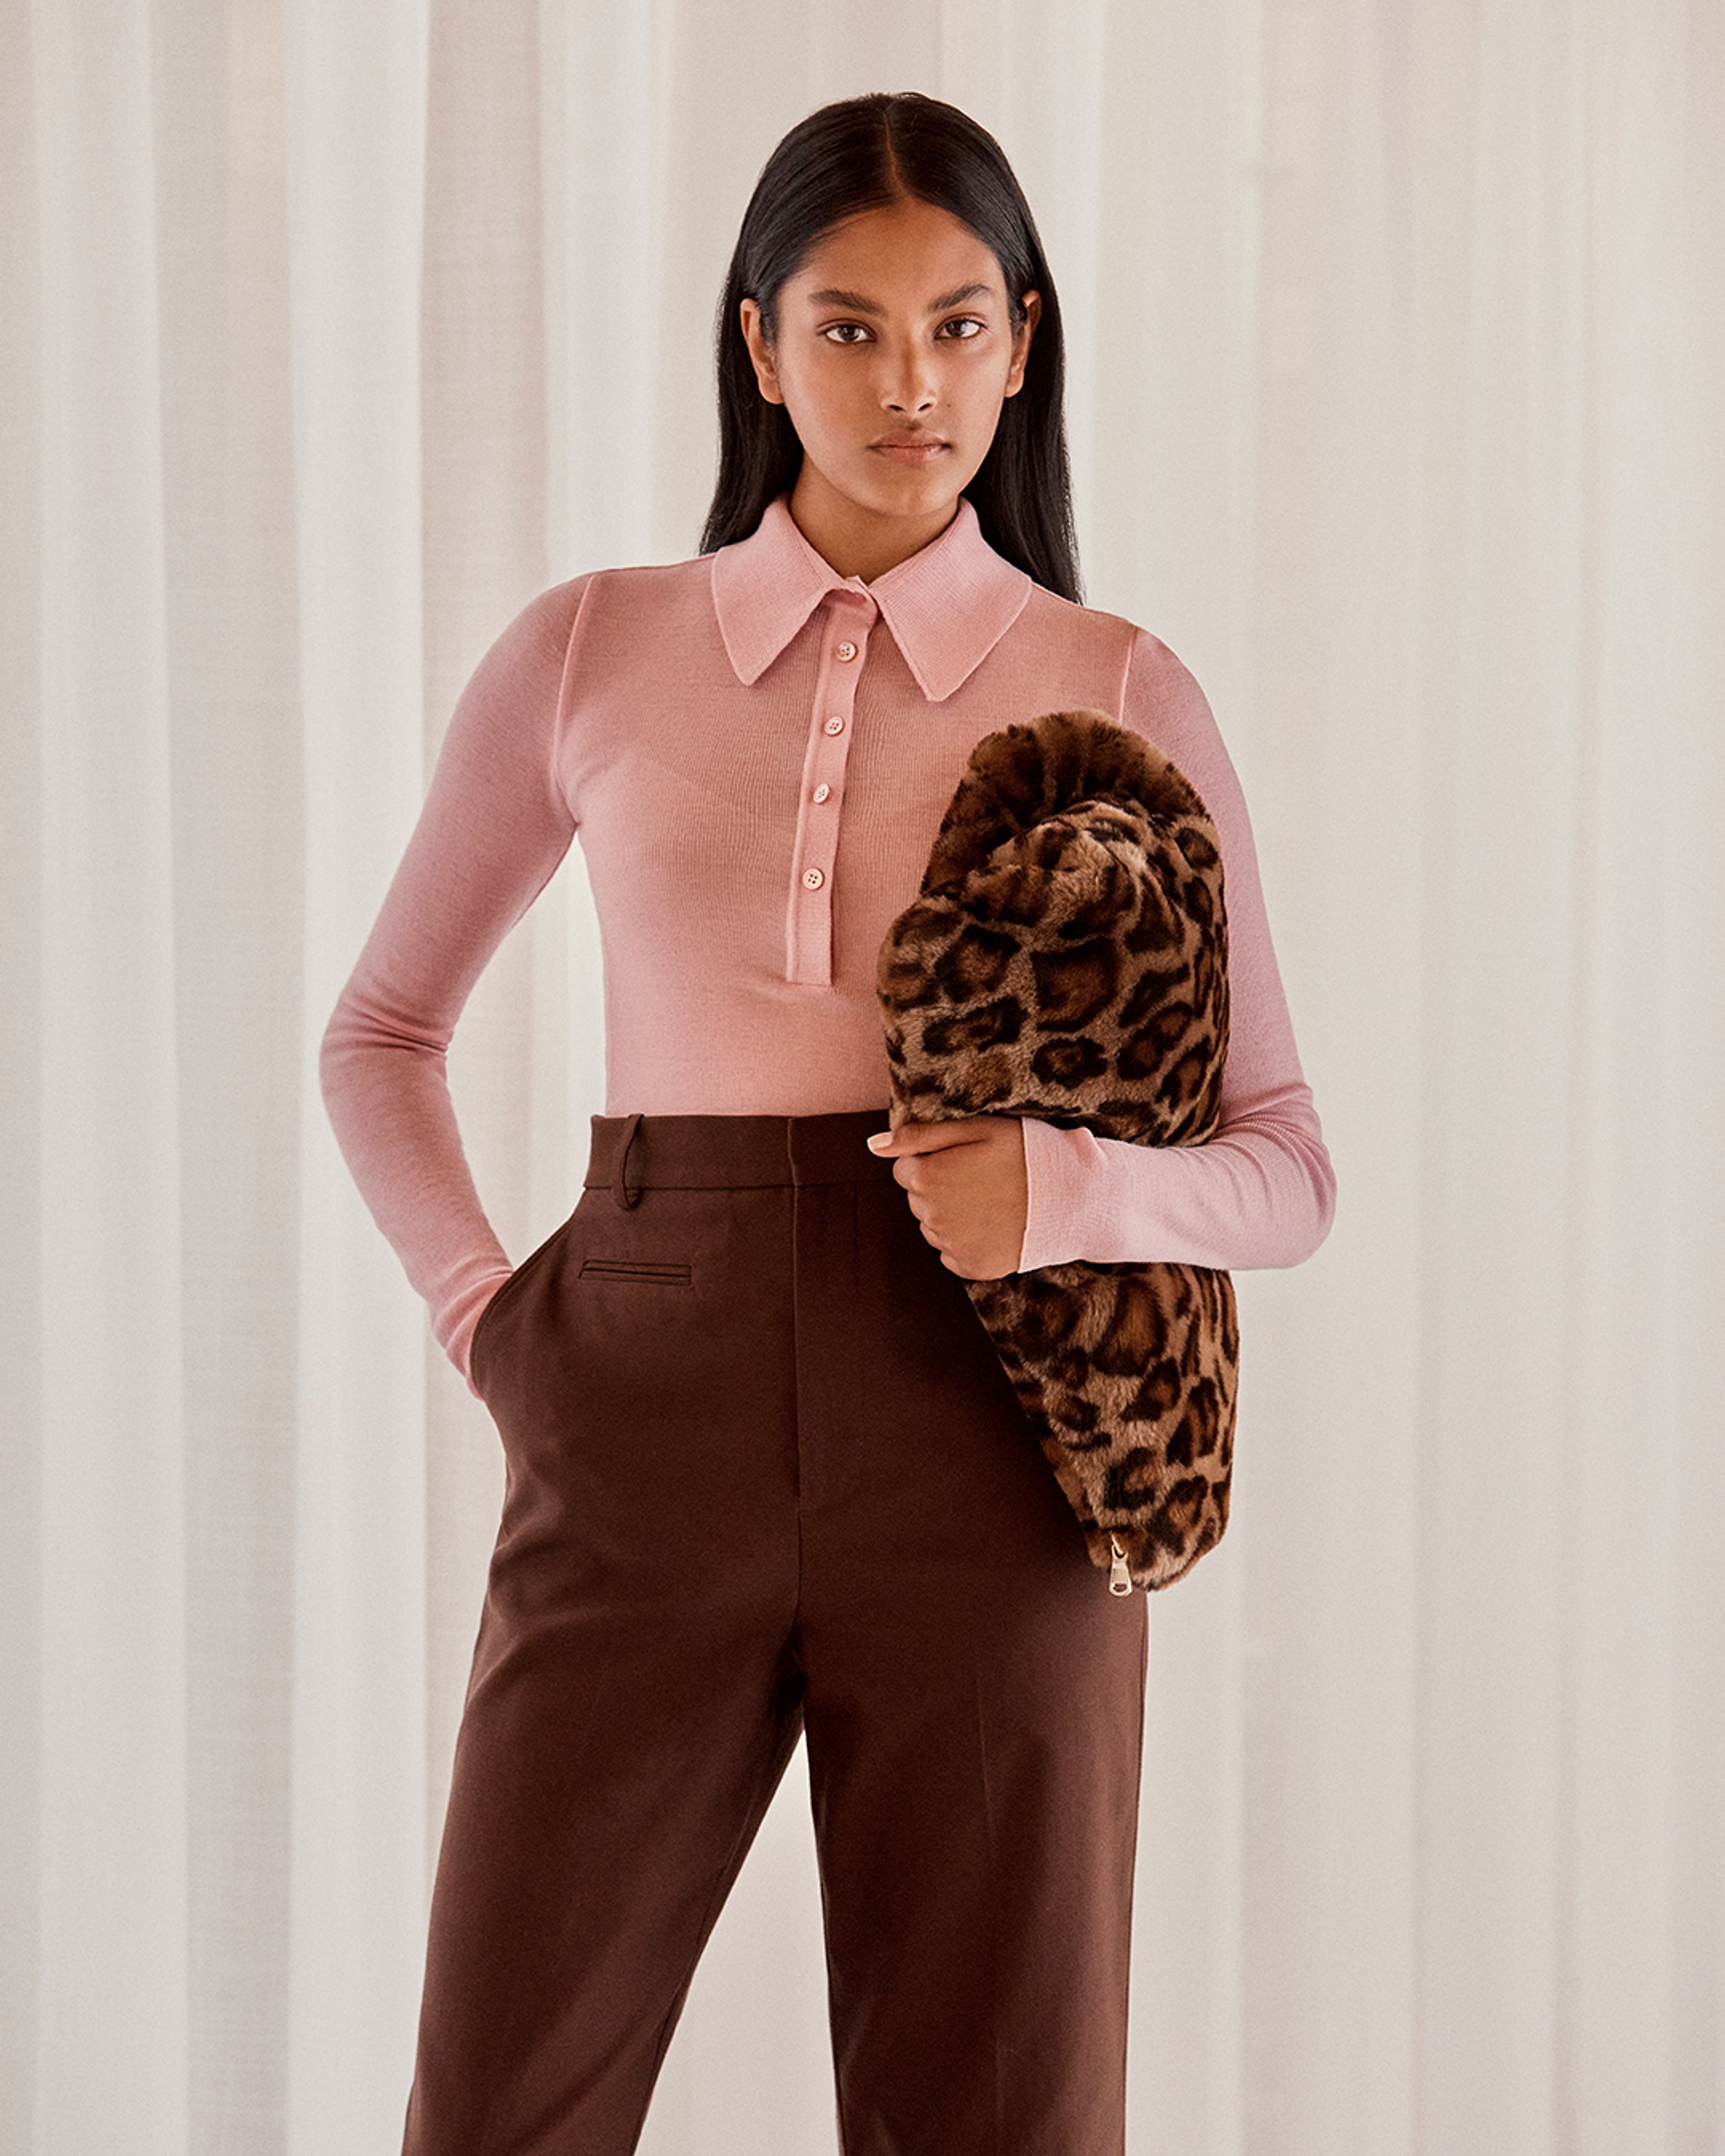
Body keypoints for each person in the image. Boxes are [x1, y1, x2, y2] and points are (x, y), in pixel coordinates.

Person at [322, 88, 1335, 2156]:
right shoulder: (589, 650)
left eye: (960, 327)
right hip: (635, 1409)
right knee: (504, 2101)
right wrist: (493, 1324)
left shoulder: (1118, 685)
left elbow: (1287, 1162)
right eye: (853, 329)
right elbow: (382, 1033)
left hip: (1000, 1428)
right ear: (759, 342)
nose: (913, 383)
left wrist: (1058, 1189)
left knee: (998, 2116)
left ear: (1025, 343)